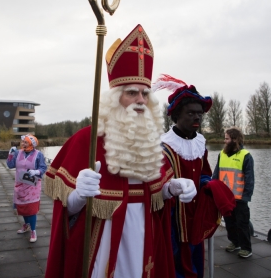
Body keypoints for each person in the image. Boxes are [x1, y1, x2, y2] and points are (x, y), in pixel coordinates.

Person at [44, 24, 197, 278]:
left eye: (145, 94)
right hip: (103, 239)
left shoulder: (150, 141)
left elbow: (157, 194)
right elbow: (66, 213)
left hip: (145, 237)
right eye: (132, 93)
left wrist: (172, 188)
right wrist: (79, 195)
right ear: (115, 98)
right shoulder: (86, 140)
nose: (140, 100)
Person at [154, 75, 236, 277]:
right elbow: (158, 184)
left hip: (197, 212)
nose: (197, 118)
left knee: (196, 257)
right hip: (172, 216)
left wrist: (209, 184)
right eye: (191, 113)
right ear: (176, 116)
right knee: (174, 260)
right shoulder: (164, 146)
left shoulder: (200, 143)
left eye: (200, 114)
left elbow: (204, 173)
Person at [212, 127, 255, 258]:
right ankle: (234, 243)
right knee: (229, 223)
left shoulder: (245, 156)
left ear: (235, 139)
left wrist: (246, 196)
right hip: (225, 198)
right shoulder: (222, 154)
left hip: (239, 198)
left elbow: (250, 179)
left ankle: (246, 248)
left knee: (242, 224)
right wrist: (212, 189)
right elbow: (216, 175)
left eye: (227, 138)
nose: (224, 141)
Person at [7, 134, 47, 243]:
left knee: (31, 209)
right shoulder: (18, 153)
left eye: (25, 142)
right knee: (23, 208)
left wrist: (36, 172)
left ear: (31, 144)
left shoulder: (38, 155)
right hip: (20, 185)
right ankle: (27, 225)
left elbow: (43, 167)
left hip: (32, 186)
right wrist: (10, 154)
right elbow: (10, 165)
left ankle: (33, 230)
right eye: (23, 142)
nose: (23, 144)